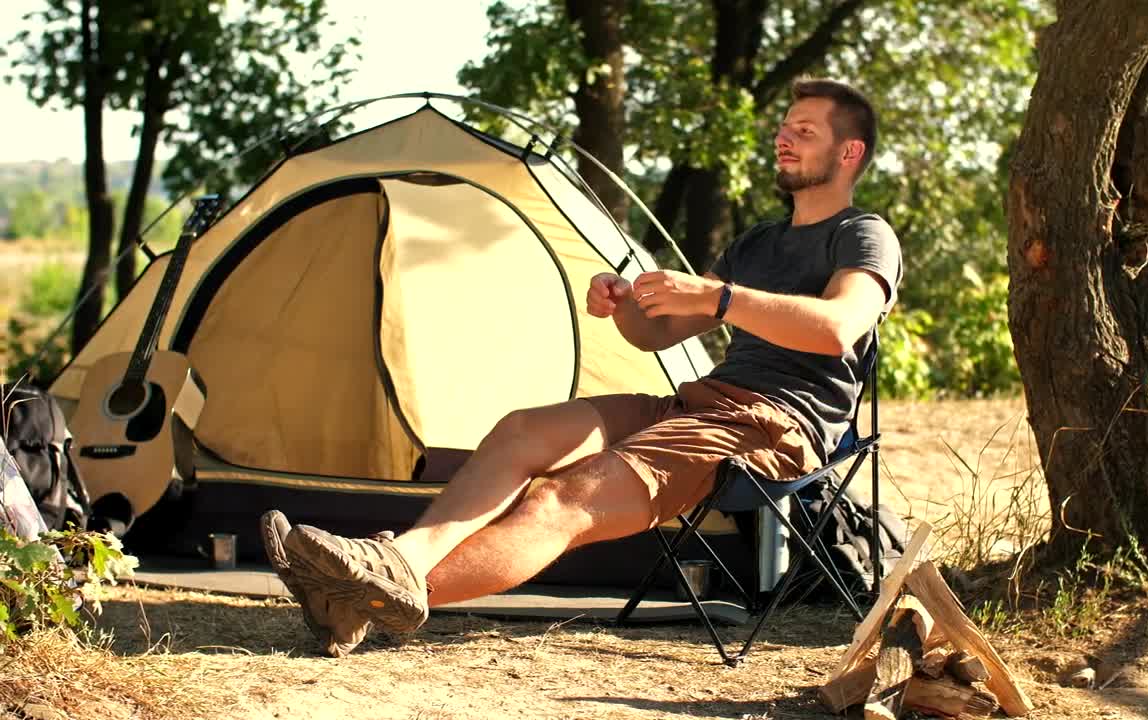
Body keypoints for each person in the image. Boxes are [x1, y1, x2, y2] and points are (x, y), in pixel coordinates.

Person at [260, 76, 903, 658]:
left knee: (559, 500)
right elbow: (661, 332)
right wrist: (623, 305)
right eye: (784, 127)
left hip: (770, 428)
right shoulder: (757, 242)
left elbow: (838, 327)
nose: (783, 139)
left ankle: (370, 594)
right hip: (698, 405)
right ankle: (394, 561)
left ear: (850, 153)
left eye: (805, 131)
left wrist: (718, 296)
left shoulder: (863, 235)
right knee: (523, 431)